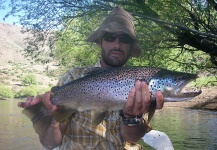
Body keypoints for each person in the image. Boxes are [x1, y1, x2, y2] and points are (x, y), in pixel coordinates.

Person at [18, 6, 164, 150]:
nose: (117, 44)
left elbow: (131, 138)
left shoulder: (141, 84)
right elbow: (50, 143)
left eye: (124, 39)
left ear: (131, 46)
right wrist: (51, 118)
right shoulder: (73, 77)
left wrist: (132, 116)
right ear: (101, 41)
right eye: (110, 37)